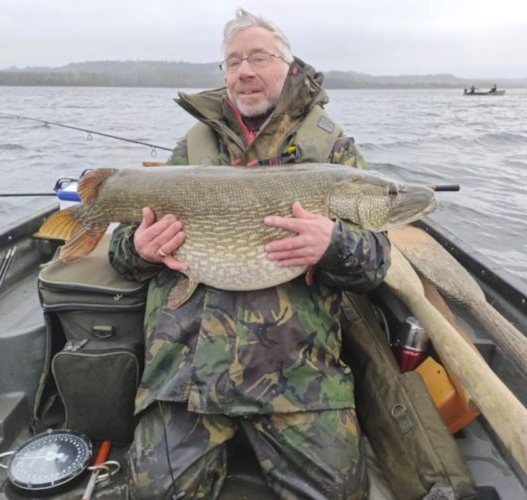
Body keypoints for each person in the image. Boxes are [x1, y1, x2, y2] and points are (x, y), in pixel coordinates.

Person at [109, 8, 390, 500]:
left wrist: (333, 244)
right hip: (186, 375)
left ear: (288, 65)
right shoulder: (191, 149)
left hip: (299, 377)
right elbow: (120, 251)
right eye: (233, 61)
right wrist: (139, 248)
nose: (245, 71)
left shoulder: (332, 151)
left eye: (259, 57)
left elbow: (375, 262)